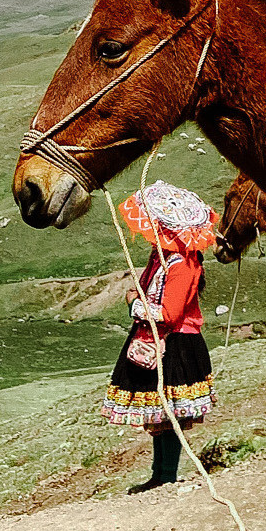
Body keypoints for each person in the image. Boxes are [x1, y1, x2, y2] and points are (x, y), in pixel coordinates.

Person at [102, 180, 218, 492]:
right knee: (160, 414)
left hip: (175, 344)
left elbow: (169, 313)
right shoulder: (162, 258)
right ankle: (159, 474)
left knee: (170, 413)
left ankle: (166, 474)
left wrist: (133, 304)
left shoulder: (182, 265)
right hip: (154, 340)